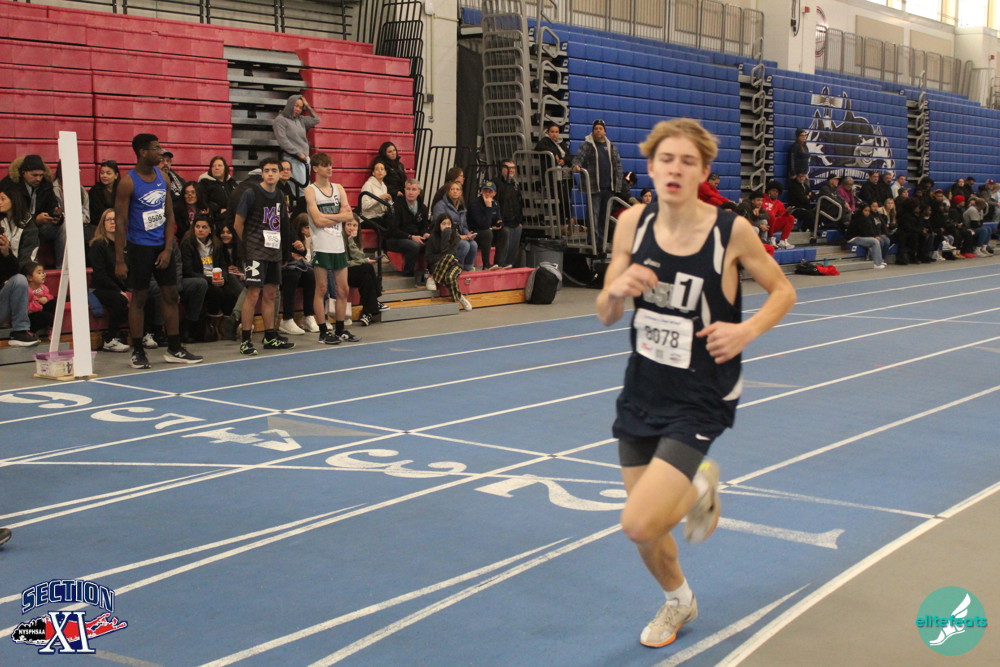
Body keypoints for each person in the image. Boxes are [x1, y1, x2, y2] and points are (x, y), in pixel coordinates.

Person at [596, 118, 795, 649]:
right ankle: (678, 600)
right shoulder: (630, 223)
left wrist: (747, 329)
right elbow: (606, 312)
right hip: (643, 388)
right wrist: (616, 289)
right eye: (666, 159)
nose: (675, 169)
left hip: (701, 393)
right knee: (651, 529)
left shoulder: (732, 232)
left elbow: (782, 291)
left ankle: (700, 484)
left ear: (704, 171)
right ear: (650, 166)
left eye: (688, 161)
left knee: (638, 523)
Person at [114, 133, 202, 368]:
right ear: (143, 152)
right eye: (156, 148)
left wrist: (167, 248)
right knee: (139, 298)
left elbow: (169, 214)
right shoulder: (128, 182)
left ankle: (174, 348)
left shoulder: (163, 177)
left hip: (162, 247)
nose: (161, 152)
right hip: (139, 247)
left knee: (171, 295)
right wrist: (119, 260)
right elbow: (120, 222)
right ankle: (138, 351)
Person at [234, 157, 295, 355]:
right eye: (267, 170)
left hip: (273, 251)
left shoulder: (279, 195)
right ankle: (246, 339)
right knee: (253, 294)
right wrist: (247, 247)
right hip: (255, 252)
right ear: (262, 173)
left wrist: (284, 252)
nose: (270, 174)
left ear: (279, 174)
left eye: (274, 170)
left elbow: (282, 224)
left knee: (270, 294)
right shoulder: (251, 193)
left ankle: (270, 336)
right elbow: (238, 224)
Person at [305, 152, 360, 345]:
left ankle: (340, 329)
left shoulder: (338, 188)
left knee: (343, 289)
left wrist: (329, 217)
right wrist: (338, 216)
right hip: (321, 245)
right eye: (324, 165)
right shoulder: (311, 190)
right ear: (315, 168)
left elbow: (349, 216)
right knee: (321, 289)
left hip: (338, 245)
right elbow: (317, 221)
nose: (329, 168)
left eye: (330, 164)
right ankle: (323, 331)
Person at [180, 217, 242, 340]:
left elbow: (223, 265)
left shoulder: (216, 244)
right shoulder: (188, 244)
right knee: (216, 292)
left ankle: (228, 325)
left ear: (210, 230)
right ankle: (211, 325)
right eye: (197, 227)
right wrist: (210, 280)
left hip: (215, 277)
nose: (200, 230)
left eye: (204, 227)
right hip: (200, 279)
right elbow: (188, 271)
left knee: (230, 292)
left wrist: (223, 277)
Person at [0, 155, 64, 268]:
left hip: (41, 226)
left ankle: (64, 268)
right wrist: (35, 220)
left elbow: (52, 206)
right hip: (18, 225)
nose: (38, 179)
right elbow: (13, 213)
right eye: (34, 175)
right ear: (23, 173)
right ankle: (25, 268)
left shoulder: (46, 184)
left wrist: (56, 217)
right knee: (29, 230)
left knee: (64, 227)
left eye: (41, 175)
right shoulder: (10, 185)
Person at [573, 120, 623, 246]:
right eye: (596, 128)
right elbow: (578, 158)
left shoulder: (611, 146)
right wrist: (576, 165)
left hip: (609, 187)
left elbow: (618, 165)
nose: (598, 130)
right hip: (594, 187)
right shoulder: (587, 145)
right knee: (593, 215)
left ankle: (602, 242)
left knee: (604, 216)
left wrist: (618, 185)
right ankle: (593, 242)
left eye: (600, 128)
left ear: (605, 131)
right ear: (593, 131)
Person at [88, 208, 130, 352]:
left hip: (120, 286)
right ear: (103, 223)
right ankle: (109, 339)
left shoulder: (124, 244)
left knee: (146, 296)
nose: (112, 222)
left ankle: (144, 335)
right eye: (109, 219)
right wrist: (119, 290)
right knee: (120, 300)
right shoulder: (98, 245)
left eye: (115, 219)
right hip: (101, 288)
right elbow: (100, 274)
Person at [278, 213, 319, 335]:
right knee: (292, 273)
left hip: (291, 265)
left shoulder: (287, 225)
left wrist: (301, 248)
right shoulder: (271, 224)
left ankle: (308, 316)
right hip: (277, 266)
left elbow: (300, 250)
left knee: (310, 274)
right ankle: (287, 319)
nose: (286, 211)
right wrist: (289, 255)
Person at [425, 212, 473, 312]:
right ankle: (460, 297)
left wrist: (447, 236)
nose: (447, 226)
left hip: (454, 264)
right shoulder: (432, 238)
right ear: (438, 225)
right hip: (438, 265)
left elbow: (451, 253)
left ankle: (434, 278)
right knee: (449, 258)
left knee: (450, 276)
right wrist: (445, 236)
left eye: (449, 224)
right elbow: (429, 257)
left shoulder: (455, 236)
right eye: (444, 224)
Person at [273, 95, 320, 194]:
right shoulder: (280, 120)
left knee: (305, 188)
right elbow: (283, 141)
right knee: (303, 189)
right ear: (290, 105)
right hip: (293, 158)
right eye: (296, 106)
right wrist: (298, 153)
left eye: (300, 107)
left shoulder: (300, 119)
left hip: (304, 158)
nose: (298, 109)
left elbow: (317, 120)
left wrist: (307, 106)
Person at [430, 180, 478, 272]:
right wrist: (459, 236)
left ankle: (468, 268)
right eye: (452, 189)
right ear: (448, 192)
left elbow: (464, 225)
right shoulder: (440, 205)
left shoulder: (462, 206)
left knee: (473, 244)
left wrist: (468, 234)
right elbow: (440, 226)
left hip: (458, 235)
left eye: (457, 189)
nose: (455, 191)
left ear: (460, 192)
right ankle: (454, 267)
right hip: (444, 236)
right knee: (464, 245)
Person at [344, 218, 383, 326]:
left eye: (355, 225)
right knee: (367, 266)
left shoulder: (355, 239)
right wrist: (364, 261)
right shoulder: (339, 240)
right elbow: (344, 263)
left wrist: (351, 240)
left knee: (367, 278)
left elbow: (359, 256)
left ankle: (367, 313)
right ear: (343, 226)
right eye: (349, 224)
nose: (352, 228)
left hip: (354, 272)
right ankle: (375, 301)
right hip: (341, 272)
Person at [467, 180, 509, 270]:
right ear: (481, 191)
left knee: (504, 232)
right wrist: (488, 207)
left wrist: (499, 224)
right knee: (487, 233)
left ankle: (499, 262)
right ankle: (486, 264)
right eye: (485, 191)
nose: (487, 194)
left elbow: (498, 219)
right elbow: (483, 224)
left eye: (490, 192)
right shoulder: (475, 204)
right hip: (475, 233)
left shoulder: (495, 204)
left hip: (487, 230)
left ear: (494, 193)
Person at [495, 159, 524, 267]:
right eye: (508, 168)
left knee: (513, 250)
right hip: (503, 223)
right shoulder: (496, 183)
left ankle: (510, 267)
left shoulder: (515, 184)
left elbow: (520, 203)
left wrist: (520, 221)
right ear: (502, 169)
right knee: (503, 249)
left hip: (515, 222)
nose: (511, 170)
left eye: (513, 168)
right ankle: (500, 266)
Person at [0, 186, 38, 265]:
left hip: (24, 267)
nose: (0, 202)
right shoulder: (2, 221)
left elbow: (27, 256)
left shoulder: (28, 224)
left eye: (3, 199)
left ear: (14, 200)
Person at [197, 156, 237, 226]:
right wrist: (218, 210)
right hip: (214, 219)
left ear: (225, 168)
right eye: (213, 166)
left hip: (231, 217)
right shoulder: (204, 183)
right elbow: (202, 202)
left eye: (219, 165)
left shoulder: (231, 183)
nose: (216, 168)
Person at [847, 203, 887, 269]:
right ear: (861, 211)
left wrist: (874, 236)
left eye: (868, 211)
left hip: (861, 237)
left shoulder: (867, 218)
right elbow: (862, 232)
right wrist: (873, 237)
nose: (867, 212)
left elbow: (870, 230)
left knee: (877, 240)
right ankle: (876, 263)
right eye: (865, 210)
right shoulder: (858, 219)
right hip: (854, 238)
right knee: (874, 241)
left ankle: (879, 260)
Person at [22, 260, 55, 337]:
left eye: (43, 272)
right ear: (30, 278)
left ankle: (51, 327)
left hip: (40, 310)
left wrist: (46, 298)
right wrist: (37, 305)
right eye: (39, 273)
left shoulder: (43, 287)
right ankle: (30, 331)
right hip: (30, 315)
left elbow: (50, 296)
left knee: (52, 301)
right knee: (48, 317)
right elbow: (25, 306)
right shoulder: (25, 290)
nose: (43, 275)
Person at [88, 160, 119, 235]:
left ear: (116, 175)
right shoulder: (95, 191)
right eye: (102, 173)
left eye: (108, 173)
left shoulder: (122, 189)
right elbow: (96, 215)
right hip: (100, 226)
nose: (104, 176)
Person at [761, 181, 795, 249]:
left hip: (772, 225)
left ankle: (783, 241)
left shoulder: (779, 203)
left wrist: (787, 212)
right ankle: (770, 239)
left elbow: (782, 215)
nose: (775, 193)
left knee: (790, 217)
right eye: (773, 190)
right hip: (762, 223)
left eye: (777, 191)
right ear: (769, 190)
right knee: (771, 216)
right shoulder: (762, 199)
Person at [360, 160, 394, 227]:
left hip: (380, 216)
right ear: (373, 173)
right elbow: (364, 206)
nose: (380, 171)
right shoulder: (368, 185)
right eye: (377, 169)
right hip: (368, 218)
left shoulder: (384, 186)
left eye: (382, 169)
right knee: (387, 225)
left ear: (385, 172)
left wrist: (389, 201)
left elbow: (383, 208)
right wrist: (379, 198)